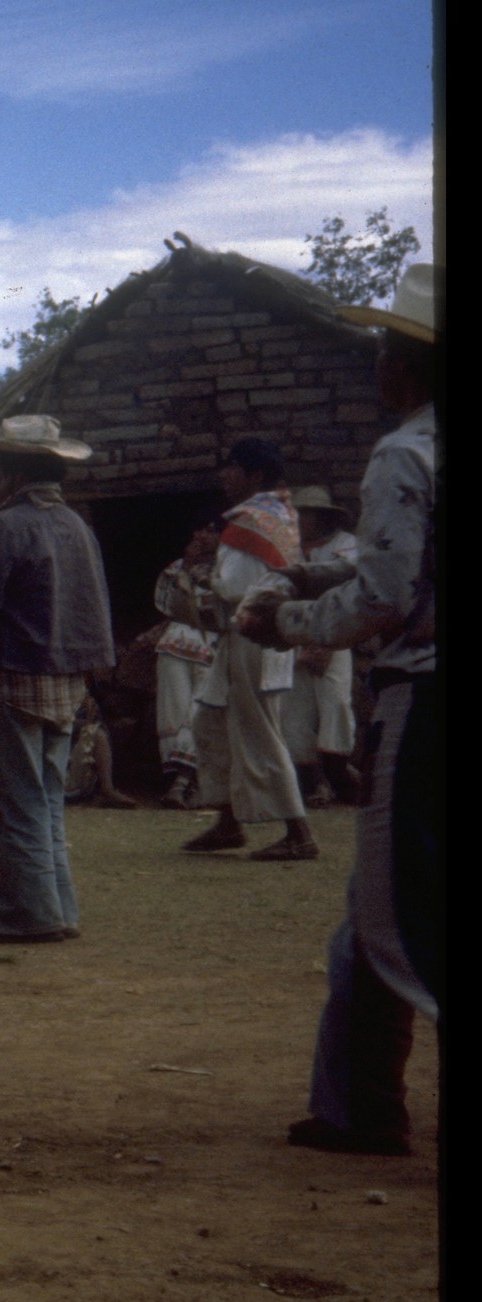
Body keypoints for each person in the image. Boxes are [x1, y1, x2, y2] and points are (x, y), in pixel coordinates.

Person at [241, 264, 437, 1155]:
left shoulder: (405, 452)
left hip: (424, 700)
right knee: (380, 913)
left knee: (393, 915)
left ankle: (363, 1106)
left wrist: (286, 619)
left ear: (406, 365)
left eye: (386, 349)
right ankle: (361, 1101)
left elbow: (389, 595)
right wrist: (313, 578)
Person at [0, 416, 115, 944]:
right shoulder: (75, 526)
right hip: (65, 679)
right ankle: (56, 909)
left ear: (12, 474)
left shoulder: (6, 527)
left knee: (16, 800)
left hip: (14, 674)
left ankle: (29, 914)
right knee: (45, 801)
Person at [179, 438, 315, 861]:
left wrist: (204, 579)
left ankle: (299, 832)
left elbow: (237, 586)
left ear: (254, 474)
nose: (224, 474)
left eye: (232, 466)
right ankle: (228, 820)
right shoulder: (279, 514)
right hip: (254, 632)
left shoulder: (250, 520)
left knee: (258, 729)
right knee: (209, 719)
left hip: (254, 631)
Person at [280, 487, 360, 806]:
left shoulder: (346, 544)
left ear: (323, 516)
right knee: (294, 709)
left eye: (306, 514)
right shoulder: (288, 548)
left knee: (335, 701)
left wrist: (326, 640)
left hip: (335, 630)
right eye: (297, 514)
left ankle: (339, 774)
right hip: (296, 632)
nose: (300, 520)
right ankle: (313, 782)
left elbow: (347, 584)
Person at [149, 517, 223, 808]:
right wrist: (187, 568)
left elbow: (219, 610)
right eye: (201, 528)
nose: (204, 535)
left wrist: (192, 602)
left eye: (212, 530)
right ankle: (181, 782)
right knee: (174, 712)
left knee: (199, 712)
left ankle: (183, 783)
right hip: (175, 644)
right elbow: (166, 604)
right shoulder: (177, 567)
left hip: (212, 647)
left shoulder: (228, 568)